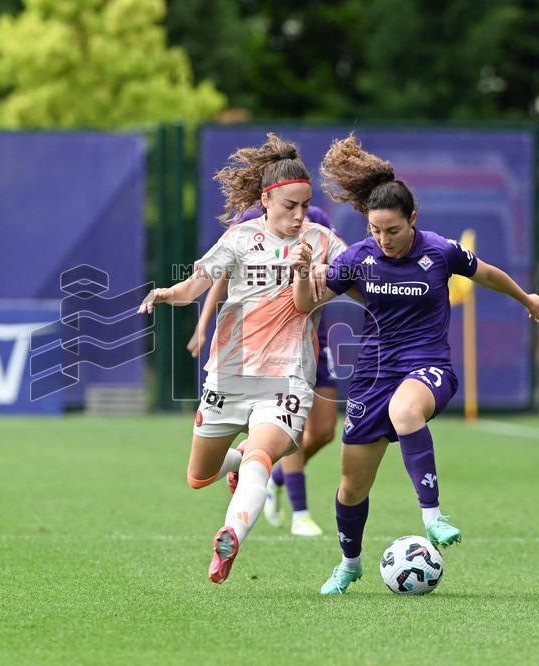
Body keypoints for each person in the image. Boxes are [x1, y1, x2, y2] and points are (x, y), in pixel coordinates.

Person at [290, 135, 539, 595]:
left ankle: (432, 514)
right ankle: (350, 564)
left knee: (405, 411)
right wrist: (301, 272)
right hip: (371, 377)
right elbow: (306, 304)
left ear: (413, 219)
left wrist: (525, 297)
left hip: (427, 366)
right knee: (351, 487)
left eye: (392, 230)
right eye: (374, 230)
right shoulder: (357, 258)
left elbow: (486, 273)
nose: (383, 239)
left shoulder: (439, 251)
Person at [139, 133, 348, 584]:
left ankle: (230, 534)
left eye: (304, 205)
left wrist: (309, 272)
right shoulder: (239, 238)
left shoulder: (322, 241)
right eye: (289, 205)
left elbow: (319, 297)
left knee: (261, 453)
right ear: (266, 200)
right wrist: (165, 294)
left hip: (286, 378)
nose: (299, 215)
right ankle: (236, 467)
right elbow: (195, 285)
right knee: (200, 476)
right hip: (229, 374)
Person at [186, 205, 341, 537]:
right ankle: (300, 513)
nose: (296, 211)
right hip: (263, 348)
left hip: (310, 334)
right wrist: (203, 325)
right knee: (290, 430)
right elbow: (224, 275)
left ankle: (271, 472)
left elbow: (338, 270)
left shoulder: (319, 222)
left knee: (325, 432)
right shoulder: (251, 223)